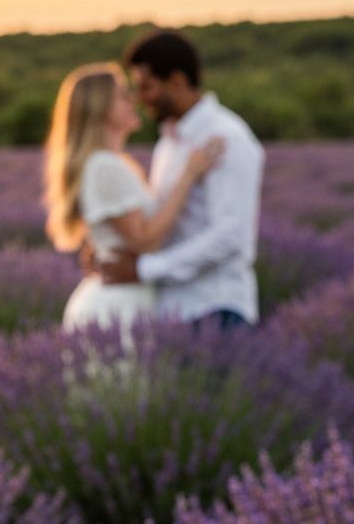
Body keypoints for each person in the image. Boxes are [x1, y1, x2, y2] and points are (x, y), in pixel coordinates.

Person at [97, 30, 266, 330]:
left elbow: (230, 236)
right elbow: (162, 221)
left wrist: (144, 269)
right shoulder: (169, 143)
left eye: (146, 87)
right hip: (171, 312)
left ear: (176, 81)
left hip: (214, 308)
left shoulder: (225, 138)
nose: (139, 98)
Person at [45, 63, 222, 335]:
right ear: (101, 109)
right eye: (123, 95)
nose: (134, 100)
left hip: (125, 302)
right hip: (117, 309)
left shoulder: (114, 163)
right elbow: (145, 240)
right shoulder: (105, 166)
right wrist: (189, 174)